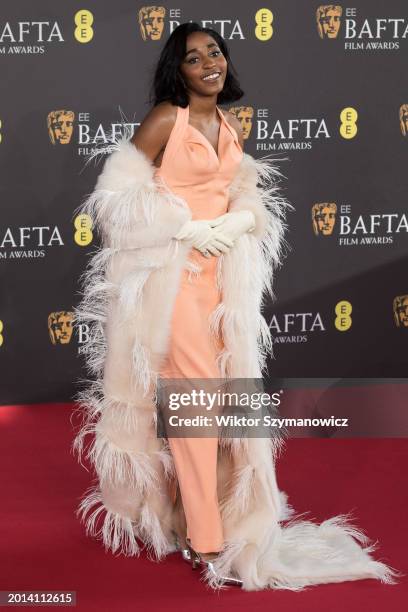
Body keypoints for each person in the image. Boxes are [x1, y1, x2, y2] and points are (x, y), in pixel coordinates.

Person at [71, 22, 399, 591]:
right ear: (180, 70)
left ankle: (220, 516)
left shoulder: (227, 123)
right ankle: (205, 538)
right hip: (174, 291)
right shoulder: (164, 121)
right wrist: (187, 227)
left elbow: (243, 191)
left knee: (228, 410)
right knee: (195, 408)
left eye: (216, 53)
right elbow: (114, 202)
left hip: (224, 292)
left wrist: (244, 216)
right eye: (195, 58)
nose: (209, 64)